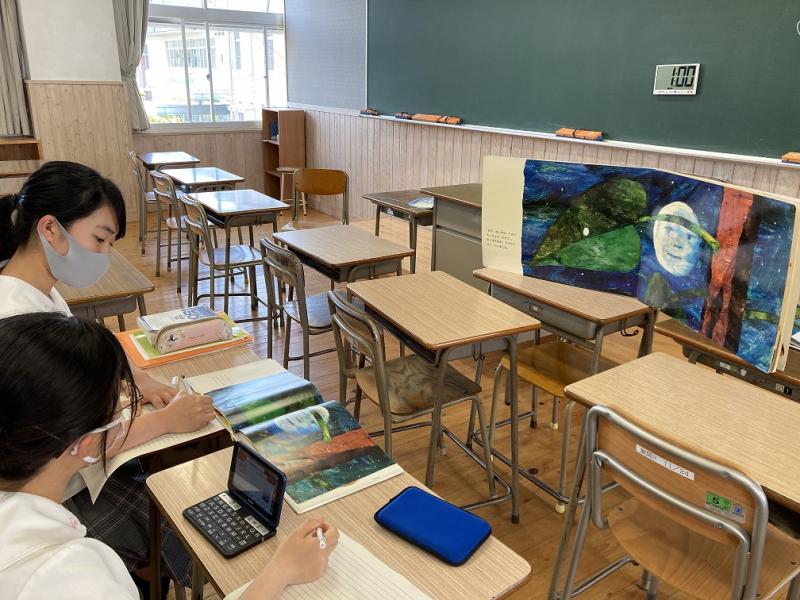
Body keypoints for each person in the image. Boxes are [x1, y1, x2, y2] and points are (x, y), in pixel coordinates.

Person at [0, 313, 339, 599]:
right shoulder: (74, 577)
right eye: (119, 406)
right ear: (86, 444)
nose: (127, 405)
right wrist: (282, 570)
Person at [0, 161, 215, 590]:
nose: (104, 255)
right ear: (50, 228)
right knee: (183, 522)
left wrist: (140, 380)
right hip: (53, 496)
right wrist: (165, 421)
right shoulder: (15, 315)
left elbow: (82, 348)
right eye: (99, 240)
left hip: (51, 483)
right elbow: (74, 444)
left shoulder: (36, 289)